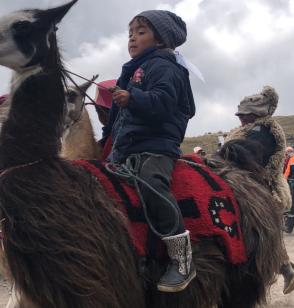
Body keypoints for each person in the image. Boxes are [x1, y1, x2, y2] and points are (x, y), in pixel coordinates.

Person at [101, 10, 196, 292]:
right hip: (126, 149)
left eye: (141, 32)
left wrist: (133, 98)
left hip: (157, 146)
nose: (132, 38)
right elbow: (119, 119)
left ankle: (182, 259)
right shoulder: (132, 71)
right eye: (130, 33)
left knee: (153, 185)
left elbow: (164, 103)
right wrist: (106, 140)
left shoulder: (167, 67)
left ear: (160, 40)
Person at [225, 86, 294, 294]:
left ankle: (277, 270)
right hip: (245, 183)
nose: (240, 119)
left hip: (258, 186)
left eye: (244, 115)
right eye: (239, 115)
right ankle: (282, 269)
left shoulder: (262, 133)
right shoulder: (251, 131)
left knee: (258, 230)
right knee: (262, 231)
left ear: (255, 114)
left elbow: (246, 157)